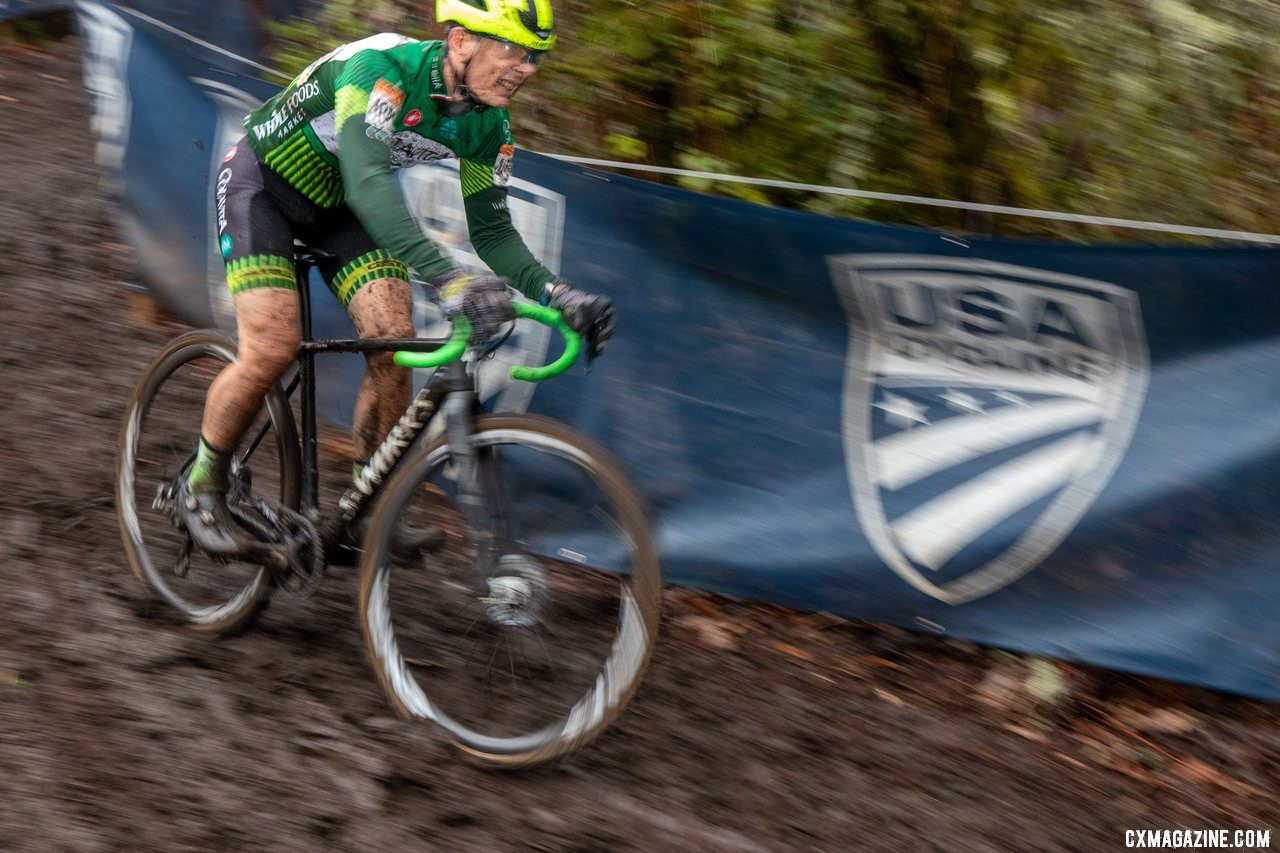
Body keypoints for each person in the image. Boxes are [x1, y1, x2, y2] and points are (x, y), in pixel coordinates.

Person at [181, 0, 615, 556]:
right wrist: (448, 280)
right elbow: (366, 182)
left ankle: (367, 507)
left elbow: (493, 234)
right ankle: (203, 483)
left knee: (393, 342)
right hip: (262, 189)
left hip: (341, 213)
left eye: (535, 59)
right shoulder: (381, 69)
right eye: (513, 50)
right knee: (272, 347)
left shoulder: (488, 123)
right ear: (461, 42)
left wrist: (559, 293)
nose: (525, 69)